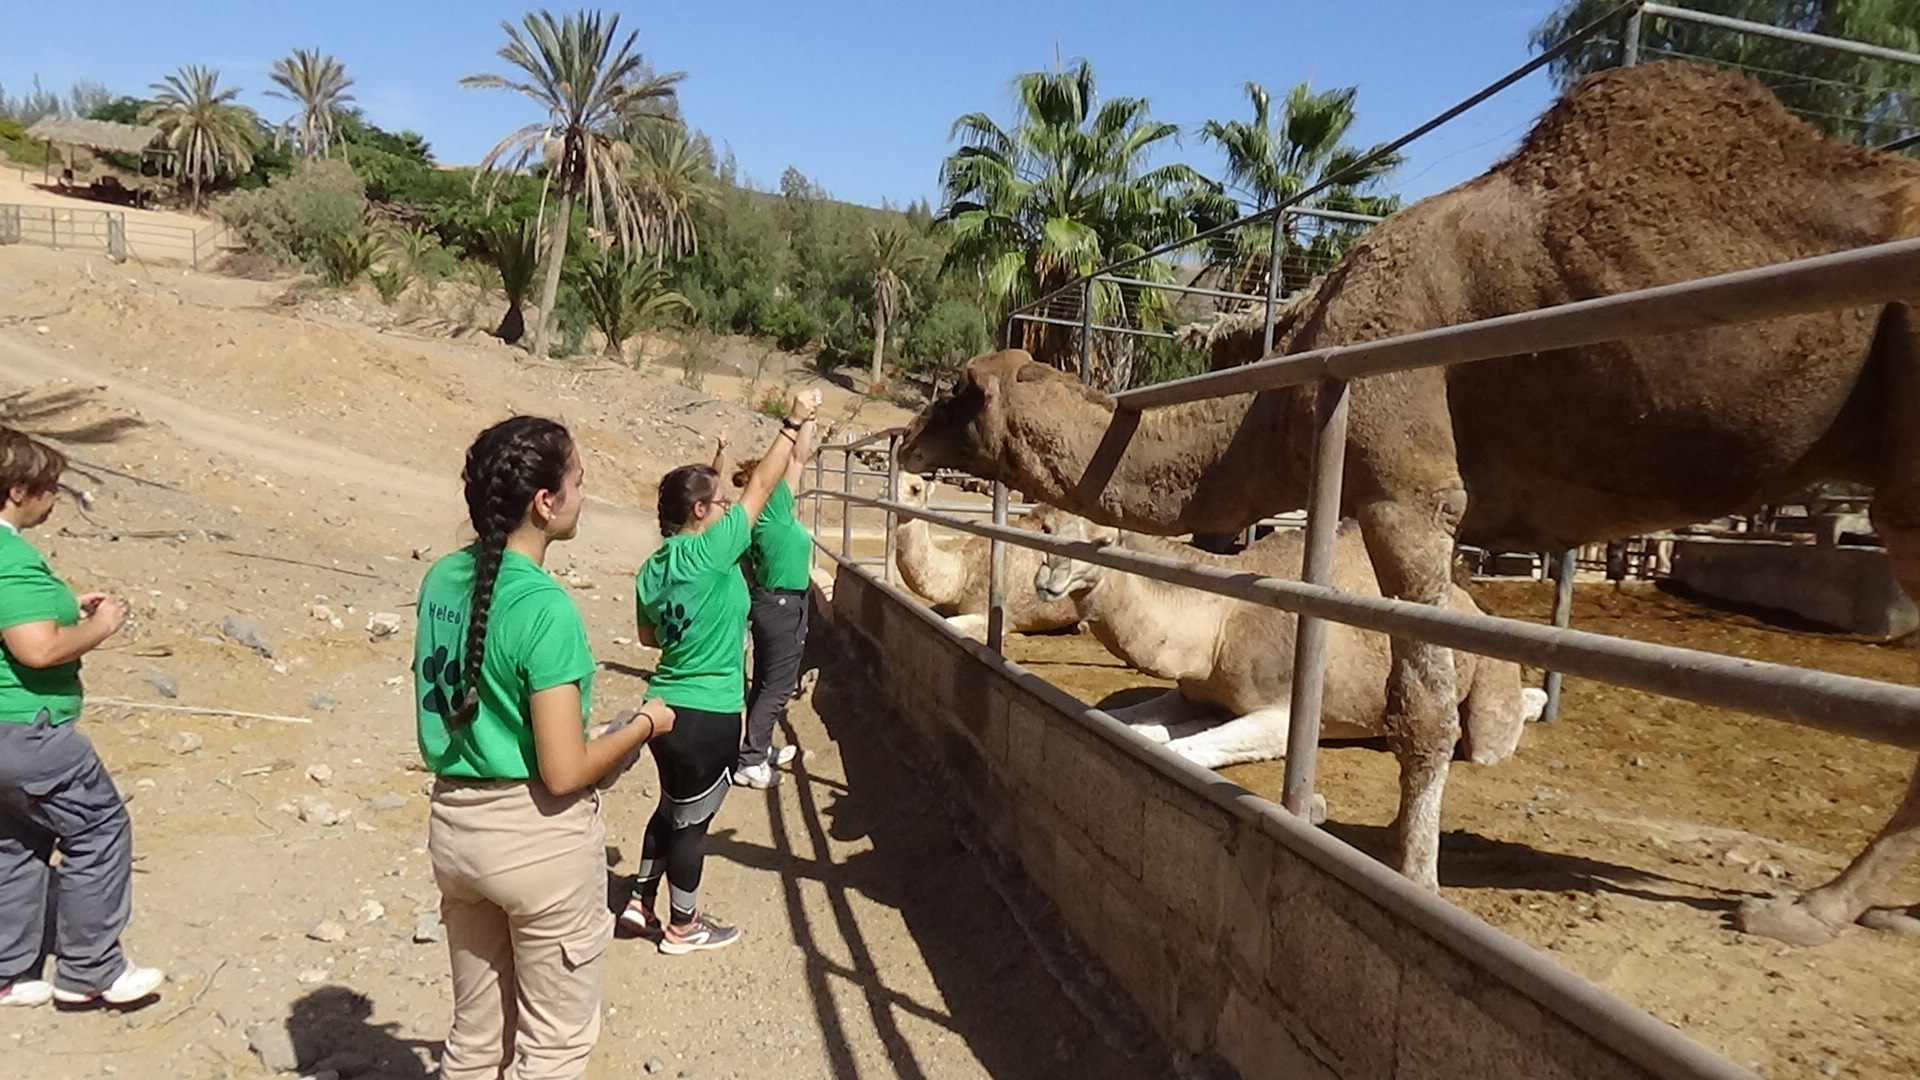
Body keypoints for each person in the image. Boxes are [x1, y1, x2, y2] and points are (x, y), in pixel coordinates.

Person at [416, 416, 675, 1080]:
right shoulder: (546, 608)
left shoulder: (444, 579)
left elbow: (482, 704)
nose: (585, 496)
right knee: (552, 1048)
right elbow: (562, 775)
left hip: (455, 827)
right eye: (580, 483)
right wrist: (642, 725)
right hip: (536, 844)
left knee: (475, 1040)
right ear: (546, 502)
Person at [622, 389, 822, 954]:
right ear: (701, 512)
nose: (730, 506)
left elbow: (648, 637)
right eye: (719, 500)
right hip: (708, 710)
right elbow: (762, 485)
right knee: (694, 824)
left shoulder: (651, 568)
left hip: (661, 704)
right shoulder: (714, 551)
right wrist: (794, 421)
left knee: (671, 805)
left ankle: (640, 900)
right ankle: (683, 926)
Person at [0, 427, 163, 1008]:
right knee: (98, 830)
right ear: (19, 491)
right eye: (50, 488)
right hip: (27, 730)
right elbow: (36, 649)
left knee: (16, 842)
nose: (53, 499)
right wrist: (100, 626)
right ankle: (91, 969)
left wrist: (68, 603)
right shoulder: (11, 557)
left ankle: (11, 972)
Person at [719, 421, 818, 790]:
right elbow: (798, 457)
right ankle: (752, 760)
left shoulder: (746, 521)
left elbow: (746, 567)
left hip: (764, 600)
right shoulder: (773, 506)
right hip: (784, 604)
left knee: (763, 679)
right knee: (777, 686)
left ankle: (755, 746)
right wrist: (806, 420)